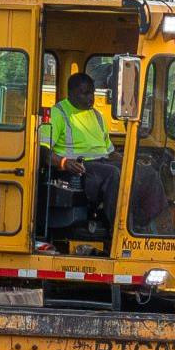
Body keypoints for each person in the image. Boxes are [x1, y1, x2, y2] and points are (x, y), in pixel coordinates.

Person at [39, 70, 118, 250]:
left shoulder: (97, 115)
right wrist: (64, 162)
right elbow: (43, 150)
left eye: (92, 92)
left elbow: (110, 151)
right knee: (114, 174)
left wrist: (134, 160)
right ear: (71, 93)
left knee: (143, 172)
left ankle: (153, 224)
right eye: (85, 93)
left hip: (103, 162)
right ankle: (117, 229)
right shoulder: (58, 113)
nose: (91, 98)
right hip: (80, 169)